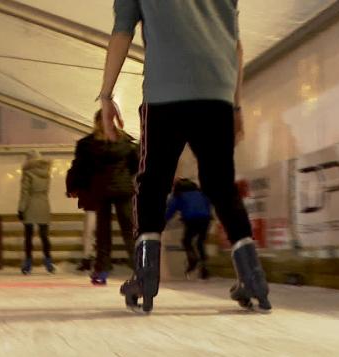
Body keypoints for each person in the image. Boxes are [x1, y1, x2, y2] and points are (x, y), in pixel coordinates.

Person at [100, 0, 271, 313]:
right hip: (216, 94)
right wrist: (235, 106)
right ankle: (253, 277)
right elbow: (235, 46)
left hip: (164, 95)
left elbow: (121, 33)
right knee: (220, 184)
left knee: (153, 182)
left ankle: (145, 274)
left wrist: (107, 95)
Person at [70, 110, 139, 286]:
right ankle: (140, 266)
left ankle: (102, 270)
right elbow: (136, 166)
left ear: (96, 122)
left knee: (103, 232)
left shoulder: (88, 144)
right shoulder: (127, 143)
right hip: (123, 189)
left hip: (100, 190)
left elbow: (79, 167)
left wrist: (75, 187)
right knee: (129, 230)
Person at [166, 178, 214, 279]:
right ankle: (204, 267)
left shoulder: (178, 195)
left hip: (191, 220)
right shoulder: (200, 193)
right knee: (200, 242)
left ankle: (193, 260)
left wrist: (162, 222)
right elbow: (208, 204)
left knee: (186, 241)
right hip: (205, 219)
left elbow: (171, 210)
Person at [18, 150, 55, 275]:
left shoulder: (28, 173)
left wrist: (21, 208)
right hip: (44, 204)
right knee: (44, 236)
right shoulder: (47, 173)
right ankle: (49, 261)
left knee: (28, 236)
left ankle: (28, 263)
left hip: (30, 205)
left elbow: (25, 192)